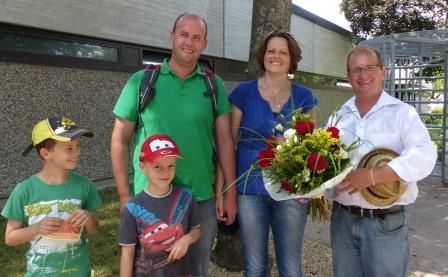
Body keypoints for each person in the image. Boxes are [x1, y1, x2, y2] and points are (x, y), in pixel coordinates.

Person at [111, 13, 236, 276]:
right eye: (184, 34)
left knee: (198, 270)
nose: (189, 42)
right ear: (172, 37)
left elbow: (225, 140)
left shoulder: (213, 85)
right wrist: (124, 193)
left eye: (196, 37)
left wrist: (228, 193)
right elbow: (120, 139)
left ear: (204, 44)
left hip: (200, 198)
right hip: (150, 201)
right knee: (151, 271)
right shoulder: (141, 81)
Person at [328, 46, 437, 277]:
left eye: (370, 67)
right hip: (342, 220)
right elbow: (323, 158)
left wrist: (372, 176)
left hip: (385, 224)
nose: (363, 75)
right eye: (356, 70)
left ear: (383, 71)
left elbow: (424, 155)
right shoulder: (339, 116)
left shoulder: (402, 113)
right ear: (348, 77)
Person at [229, 31, 319, 276]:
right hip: (249, 191)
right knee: (254, 266)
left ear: (291, 59)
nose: (276, 56)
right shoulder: (243, 93)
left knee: (290, 268)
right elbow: (228, 141)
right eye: (271, 51)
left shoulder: (305, 97)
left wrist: (308, 187)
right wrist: (225, 190)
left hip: (290, 190)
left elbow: (312, 149)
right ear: (263, 56)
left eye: (283, 52)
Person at [1, 116, 102, 276]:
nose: (76, 153)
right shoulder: (24, 190)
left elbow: (94, 230)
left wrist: (87, 217)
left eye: (78, 146)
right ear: (45, 153)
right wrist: (36, 228)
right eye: (69, 148)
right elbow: (10, 237)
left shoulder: (85, 186)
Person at [119, 133, 201, 276]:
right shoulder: (133, 207)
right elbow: (127, 253)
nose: (166, 172)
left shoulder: (186, 197)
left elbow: (196, 230)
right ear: (142, 167)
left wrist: (187, 240)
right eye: (157, 167)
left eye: (171, 165)